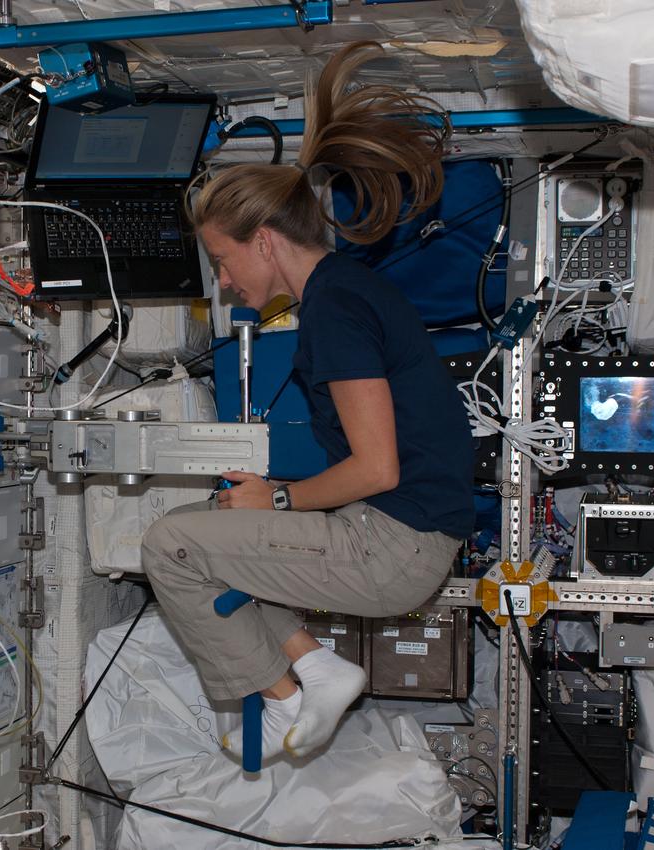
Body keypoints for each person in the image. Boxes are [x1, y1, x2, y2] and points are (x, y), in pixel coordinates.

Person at [140, 42, 475, 761]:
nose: (226, 283)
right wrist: (269, 498)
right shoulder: (343, 293)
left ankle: (283, 696)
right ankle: (316, 669)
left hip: (396, 545)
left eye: (224, 262)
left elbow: (377, 468)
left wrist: (283, 502)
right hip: (398, 533)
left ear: (263, 242)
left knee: (169, 544)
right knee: (217, 524)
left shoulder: (336, 309)